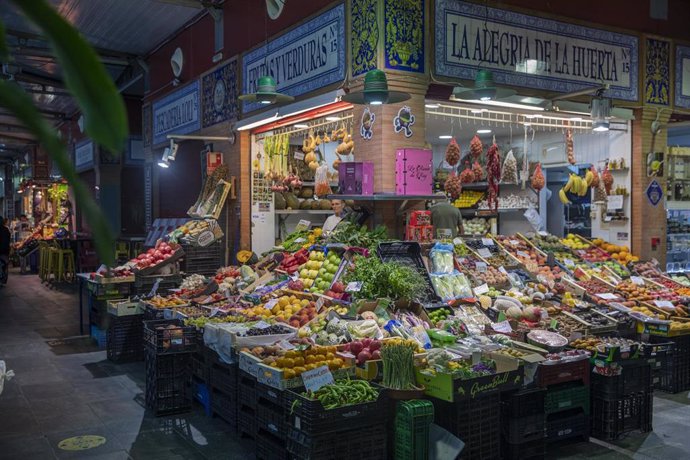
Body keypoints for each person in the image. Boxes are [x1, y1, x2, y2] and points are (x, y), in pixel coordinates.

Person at [0, 216, 10, 284]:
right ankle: (3, 280)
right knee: (5, 265)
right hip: (5, 251)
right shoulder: (6, 229)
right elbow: (8, 239)